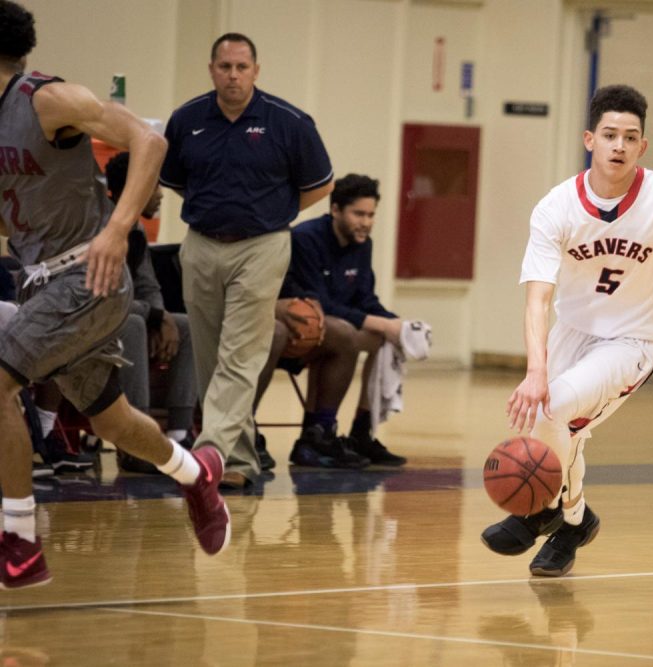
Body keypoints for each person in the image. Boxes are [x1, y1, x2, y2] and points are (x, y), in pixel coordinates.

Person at [0, 0, 230, 587]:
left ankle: (20, 539)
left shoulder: (47, 99)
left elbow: (148, 144)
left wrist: (117, 229)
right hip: (40, 285)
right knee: (114, 423)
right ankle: (194, 472)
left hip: (89, 277)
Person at [481, 85, 653, 577]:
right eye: (609, 135)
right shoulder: (555, 207)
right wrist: (534, 370)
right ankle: (575, 522)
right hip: (574, 330)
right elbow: (537, 297)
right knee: (550, 415)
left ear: (643, 145)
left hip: (635, 338)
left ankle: (541, 512)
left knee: (559, 409)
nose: (619, 146)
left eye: (630, 137)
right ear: (590, 139)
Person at [160, 32, 334, 489]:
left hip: (262, 246)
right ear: (211, 69)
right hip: (200, 243)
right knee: (209, 355)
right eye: (224, 67)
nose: (233, 75)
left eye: (241, 67)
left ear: (256, 70)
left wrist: (278, 212)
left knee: (240, 354)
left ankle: (208, 453)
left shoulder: (289, 122)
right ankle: (238, 463)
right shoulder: (186, 120)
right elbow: (175, 180)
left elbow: (321, 184)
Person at [258, 173, 408, 468]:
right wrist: (381, 323)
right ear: (335, 210)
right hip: (293, 325)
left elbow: (366, 299)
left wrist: (399, 324)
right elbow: (320, 304)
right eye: (358, 214)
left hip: (329, 327)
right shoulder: (305, 238)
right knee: (346, 333)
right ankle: (311, 431)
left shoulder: (363, 244)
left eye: (371, 215)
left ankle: (360, 432)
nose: (365, 222)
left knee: (386, 338)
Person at [105, 151, 197, 473]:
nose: (160, 194)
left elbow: (147, 284)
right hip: (86, 321)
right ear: (136, 187)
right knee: (133, 324)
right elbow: (102, 297)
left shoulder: (137, 229)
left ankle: (179, 435)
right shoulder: (98, 226)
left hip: (124, 314)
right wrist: (154, 317)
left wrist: (163, 316)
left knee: (187, 325)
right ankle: (135, 441)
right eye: (155, 186)